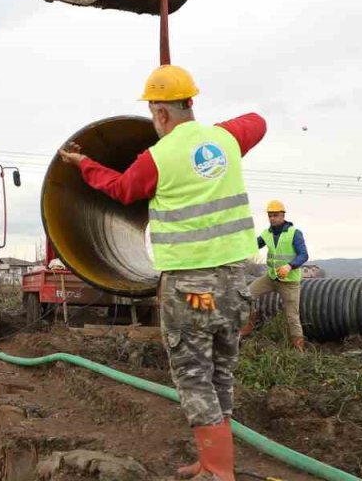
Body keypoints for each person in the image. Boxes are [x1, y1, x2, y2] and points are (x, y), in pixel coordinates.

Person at [59, 64, 265, 481]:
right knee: (220, 373)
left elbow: (121, 189)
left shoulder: (158, 157)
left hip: (191, 286)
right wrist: (214, 132)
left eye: (154, 113)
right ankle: (211, 461)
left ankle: (219, 471)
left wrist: (83, 163)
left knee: (194, 377)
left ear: (162, 114)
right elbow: (258, 122)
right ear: (191, 102)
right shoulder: (226, 139)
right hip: (235, 282)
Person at [243, 200, 309, 350]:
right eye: (270, 215)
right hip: (271, 278)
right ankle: (248, 326)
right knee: (246, 294)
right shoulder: (267, 233)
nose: (272, 218)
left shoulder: (294, 233)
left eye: (275, 215)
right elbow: (253, 246)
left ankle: (299, 349)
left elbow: (304, 255)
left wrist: (289, 266)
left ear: (283, 215)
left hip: (289, 282)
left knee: (292, 316)